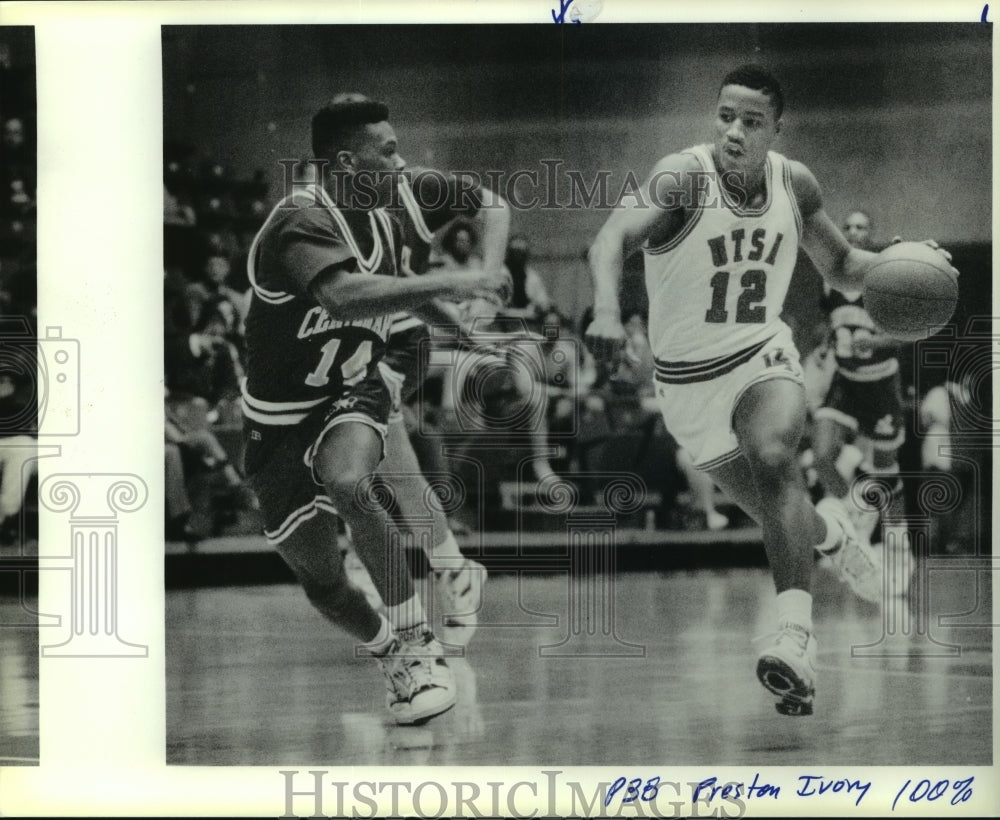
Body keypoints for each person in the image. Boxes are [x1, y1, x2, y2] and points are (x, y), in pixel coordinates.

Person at [585, 66, 957, 716]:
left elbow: (842, 266)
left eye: (751, 121)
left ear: (775, 129)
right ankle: (837, 539)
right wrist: (608, 312)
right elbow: (610, 237)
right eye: (726, 116)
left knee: (777, 455)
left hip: (762, 355)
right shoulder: (682, 176)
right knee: (779, 512)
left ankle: (794, 636)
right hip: (685, 386)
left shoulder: (795, 183)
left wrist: (910, 262)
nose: (734, 131)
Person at [240, 97, 508, 724]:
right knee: (324, 584)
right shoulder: (299, 221)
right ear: (344, 163)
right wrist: (456, 283)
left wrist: (468, 320)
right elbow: (343, 296)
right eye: (386, 151)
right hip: (276, 418)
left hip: (349, 388)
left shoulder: (390, 210)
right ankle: (391, 650)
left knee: (353, 479)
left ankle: (420, 643)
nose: (402, 159)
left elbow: (485, 210)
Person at [811, 210, 905, 541]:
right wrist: (824, 347)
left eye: (860, 226)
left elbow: (906, 334)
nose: (852, 231)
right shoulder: (829, 277)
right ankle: (855, 513)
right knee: (821, 458)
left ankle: (897, 537)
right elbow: (831, 324)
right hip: (845, 382)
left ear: (871, 234)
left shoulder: (885, 279)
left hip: (880, 383)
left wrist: (876, 340)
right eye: (847, 226)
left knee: (885, 467)